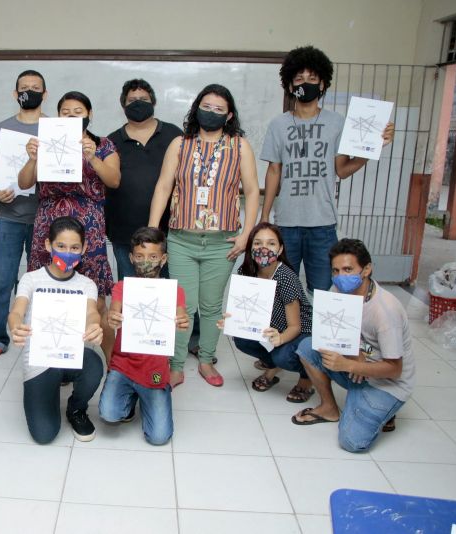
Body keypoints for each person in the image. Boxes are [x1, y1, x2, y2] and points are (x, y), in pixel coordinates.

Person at [148, 84, 260, 388]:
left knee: (211, 306)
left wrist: (246, 235)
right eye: (205, 107)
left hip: (221, 242)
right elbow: (162, 187)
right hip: (181, 240)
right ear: (196, 108)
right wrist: (153, 231)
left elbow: (251, 191)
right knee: (184, 305)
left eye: (218, 109)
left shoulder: (240, 147)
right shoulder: (179, 145)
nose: (210, 113)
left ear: (229, 116)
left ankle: (207, 359)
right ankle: (176, 363)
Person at [260, 46, 395, 294]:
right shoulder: (278, 125)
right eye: (299, 79)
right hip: (286, 224)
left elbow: (342, 170)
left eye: (312, 79)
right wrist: (265, 215)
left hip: (322, 224)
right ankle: (286, 332)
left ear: (322, 84)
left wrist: (372, 147)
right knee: (280, 289)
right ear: (290, 85)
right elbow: (274, 172)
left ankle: (316, 334)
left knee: (323, 291)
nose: (306, 84)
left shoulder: (337, 122)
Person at [19, 91, 121, 359]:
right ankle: (55, 356)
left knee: (96, 301)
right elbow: (23, 183)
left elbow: (114, 181)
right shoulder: (44, 142)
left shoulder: (103, 144)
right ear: (57, 114)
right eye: (66, 112)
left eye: (78, 111)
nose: (72, 116)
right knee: (48, 297)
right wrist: (32, 157)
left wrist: (92, 158)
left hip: (89, 230)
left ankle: (113, 364)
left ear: (89, 114)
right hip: (49, 226)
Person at [291, 238, 414, 453]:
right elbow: (328, 334)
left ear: (367, 269)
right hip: (354, 365)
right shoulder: (337, 291)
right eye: (336, 270)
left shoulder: (385, 311)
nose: (341, 277)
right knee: (307, 347)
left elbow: (395, 369)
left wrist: (350, 366)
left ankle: (379, 408)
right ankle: (330, 407)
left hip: (386, 384)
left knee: (352, 442)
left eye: (348, 269)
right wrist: (354, 355)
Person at [7, 217, 104, 444]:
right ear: (48, 245)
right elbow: (16, 311)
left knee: (94, 363)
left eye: (74, 248)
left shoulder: (86, 284)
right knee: (44, 434)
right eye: (61, 246)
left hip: (70, 355)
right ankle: (44, 392)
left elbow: (92, 312)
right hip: (40, 361)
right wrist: (15, 326)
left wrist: (94, 325)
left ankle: (76, 409)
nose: (67, 253)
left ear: (84, 249)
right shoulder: (31, 279)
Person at [99, 227, 189, 445]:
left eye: (153, 257)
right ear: (131, 258)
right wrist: (112, 317)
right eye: (139, 256)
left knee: (158, 437)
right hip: (123, 365)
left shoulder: (173, 291)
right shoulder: (122, 287)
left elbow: (181, 316)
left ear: (163, 259)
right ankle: (130, 396)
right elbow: (115, 310)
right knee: (109, 414)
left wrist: (182, 321)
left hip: (155, 370)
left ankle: (152, 393)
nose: (145, 261)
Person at [0, 69, 48, 362]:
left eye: (36, 88)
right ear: (15, 94)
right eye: (24, 87)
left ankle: (43, 337)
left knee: (43, 283)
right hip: (7, 215)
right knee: (1, 281)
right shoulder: (1, 128)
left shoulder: (56, 127)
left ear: (44, 94)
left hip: (45, 218)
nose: (30, 92)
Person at [216, 222, 315, 402]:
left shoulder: (285, 277)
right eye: (257, 243)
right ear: (250, 247)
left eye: (271, 243)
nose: (264, 248)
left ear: (280, 249)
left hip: (301, 331)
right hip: (272, 326)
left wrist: (281, 339)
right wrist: (232, 322)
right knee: (241, 339)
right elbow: (246, 309)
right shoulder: (246, 271)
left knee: (283, 355)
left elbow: (295, 326)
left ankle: (306, 377)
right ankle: (272, 365)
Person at [106, 79, 182, 280]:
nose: (138, 103)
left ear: (153, 103)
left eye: (143, 99)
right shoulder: (111, 141)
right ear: (123, 105)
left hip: (170, 234)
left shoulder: (174, 135)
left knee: (172, 292)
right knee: (129, 292)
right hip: (125, 234)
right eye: (132, 100)